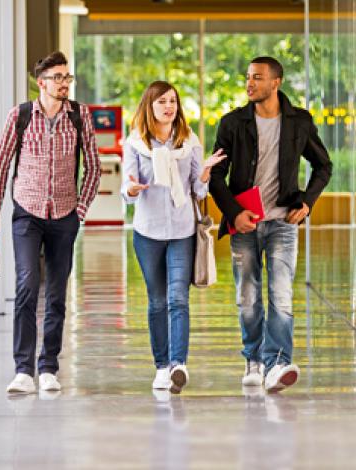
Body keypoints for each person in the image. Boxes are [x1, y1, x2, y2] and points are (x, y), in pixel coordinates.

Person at [0, 51, 102, 394]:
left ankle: (48, 366)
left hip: (64, 214)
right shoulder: (20, 116)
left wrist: (79, 212)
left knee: (57, 293)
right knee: (27, 285)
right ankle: (23, 369)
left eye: (68, 77)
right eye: (58, 78)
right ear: (42, 82)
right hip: (27, 213)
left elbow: (93, 167)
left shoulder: (80, 116)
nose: (65, 83)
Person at [210, 57, 332, 393]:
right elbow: (216, 175)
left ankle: (277, 362)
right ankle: (253, 357)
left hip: (282, 223)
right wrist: (234, 212)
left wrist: (307, 202)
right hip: (244, 224)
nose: (250, 83)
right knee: (247, 296)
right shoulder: (232, 123)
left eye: (257, 78)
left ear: (276, 82)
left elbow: (323, 166)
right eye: (247, 77)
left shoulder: (299, 122)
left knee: (282, 294)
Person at [122, 81, 226, 394]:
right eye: (162, 102)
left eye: (173, 102)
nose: (169, 107)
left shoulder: (188, 140)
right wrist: (131, 188)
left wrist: (205, 172)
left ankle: (179, 364)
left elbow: (197, 189)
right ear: (149, 106)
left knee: (178, 298)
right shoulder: (136, 144)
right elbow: (127, 190)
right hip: (148, 231)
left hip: (182, 230)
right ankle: (162, 366)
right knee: (157, 301)